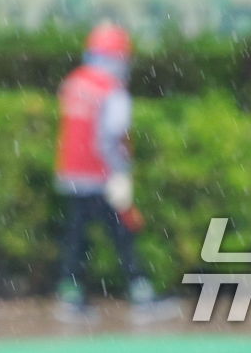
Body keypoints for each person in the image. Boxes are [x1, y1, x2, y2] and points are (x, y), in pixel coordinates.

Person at [53, 22, 173, 322]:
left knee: (77, 237)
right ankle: (140, 294)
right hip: (102, 176)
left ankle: (70, 295)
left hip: (72, 175)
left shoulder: (74, 82)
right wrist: (120, 172)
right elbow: (111, 136)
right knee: (122, 233)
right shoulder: (112, 90)